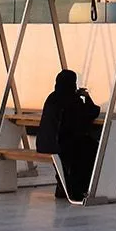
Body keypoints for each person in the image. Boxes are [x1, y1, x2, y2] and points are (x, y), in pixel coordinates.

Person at [34, 68, 100, 200]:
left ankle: (63, 187)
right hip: (60, 145)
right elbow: (92, 112)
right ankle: (78, 188)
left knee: (80, 147)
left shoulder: (51, 98)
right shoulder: (72, 99)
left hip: (44, 143)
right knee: (91, 148)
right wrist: (86, 97)